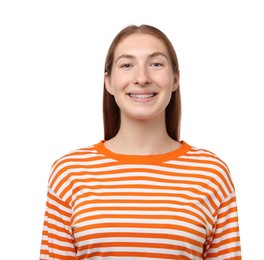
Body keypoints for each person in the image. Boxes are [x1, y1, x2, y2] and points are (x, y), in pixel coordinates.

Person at [40, 24, 241, 259]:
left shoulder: (211, 173)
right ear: (109, 82)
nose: (142, 78)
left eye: (156, 64)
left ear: (175, 79)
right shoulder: (69, 172)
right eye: (127, 65)